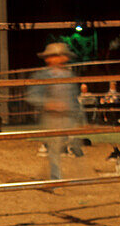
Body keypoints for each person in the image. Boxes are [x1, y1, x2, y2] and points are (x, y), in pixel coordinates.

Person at [26, 42, 87, 180]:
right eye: (55, 56)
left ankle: (79, 176)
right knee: (54, 149)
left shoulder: (69, 75)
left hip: (69, 117)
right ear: (48, 59)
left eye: (61, 55)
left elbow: (75, 99)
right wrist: (48, 103)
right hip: (52, 118)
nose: (59, 59)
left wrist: (80, 118)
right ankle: (56, 178)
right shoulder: (41, 76)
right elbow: (32, 96)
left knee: (76, 146)